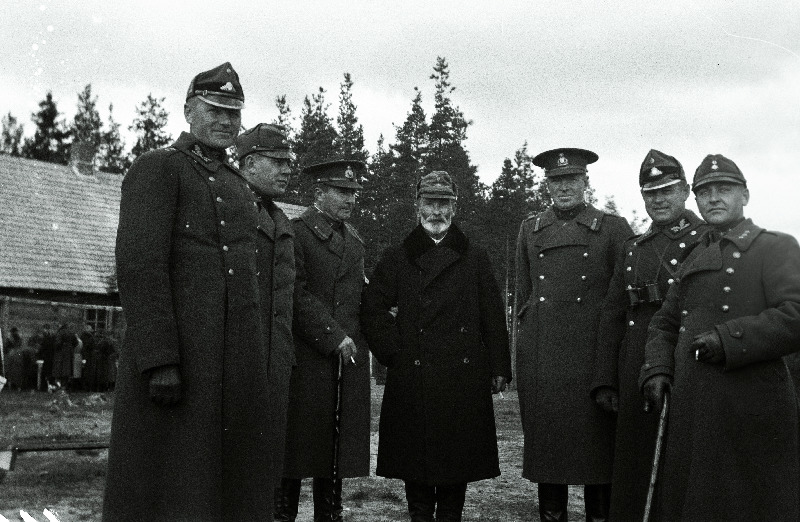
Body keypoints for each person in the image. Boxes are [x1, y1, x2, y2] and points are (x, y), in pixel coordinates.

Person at [103, 62, 274, 521]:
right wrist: (159, 359)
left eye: (233, 114)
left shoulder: (239, 187)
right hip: (179, 363)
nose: (225, 121)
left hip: (233, 368)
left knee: (226, 488)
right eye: (214, 109)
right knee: (169, 484)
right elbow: (140, 267)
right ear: (188, 111)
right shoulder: (158, 169)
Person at [640, 154, 800, 521]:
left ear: (744, 196)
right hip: (694, 409)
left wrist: (729, 339)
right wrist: (657, 369)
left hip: (752, 406)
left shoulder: (775, 247)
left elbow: (796, 314)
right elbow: (664, 322)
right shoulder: (695, 255)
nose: (713, 198)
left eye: (723, 190)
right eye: (704, 192)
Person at [362, 171, 512, 522]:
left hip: (462, 378)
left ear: (454, 208)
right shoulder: (397, 256)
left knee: (454, 469)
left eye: (444, 203)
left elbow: (492, 313)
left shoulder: (474, 256)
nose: (436, 211)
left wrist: (499, 367)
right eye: (430, 202)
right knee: (415, 468)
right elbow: (372, 308)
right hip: (412, 376)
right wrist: (394, 353)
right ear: (417, 206)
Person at [590, 150, 711, 520]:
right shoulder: (632, 249)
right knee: (633, 468)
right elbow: (612, 316)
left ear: (686, 190)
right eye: (650, 193)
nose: (658, 199)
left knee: (680, 469)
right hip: (633, 368)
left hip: (684, 368)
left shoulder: (707, 240)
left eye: (667, 190)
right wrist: (606, 381)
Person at [514, 148, 633, 521]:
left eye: (570, 180)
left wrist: (612, 371)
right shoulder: (531, 229)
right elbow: (524, 296)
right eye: (555, 181)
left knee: (599, 462)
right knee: (550, 459)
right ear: (547, 185)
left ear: (585, 182)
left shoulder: (612, 229)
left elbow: (622, 302)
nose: (563, 187)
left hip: (594, 363)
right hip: (545, 363)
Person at [274, 160, 371, 522]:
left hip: (343, 366)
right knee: (296, 449)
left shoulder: (354, 240)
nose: (350, 200)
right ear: (319, 193)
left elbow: (360, 298)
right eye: (342, 192)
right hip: (304, 361)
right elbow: (293, 294)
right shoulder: (296, 232)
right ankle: (282, 515)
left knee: (334, 452)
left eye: (353, 193)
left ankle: (329, 516)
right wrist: (333, 337)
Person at [235, 123, 297, 510]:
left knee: (265, 474)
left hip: (274, 366)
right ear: (249, 163)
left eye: (289, 162)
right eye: (277, 162)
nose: (287, 170)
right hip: (237, 363)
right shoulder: (231, 212)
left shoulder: (281, 221)